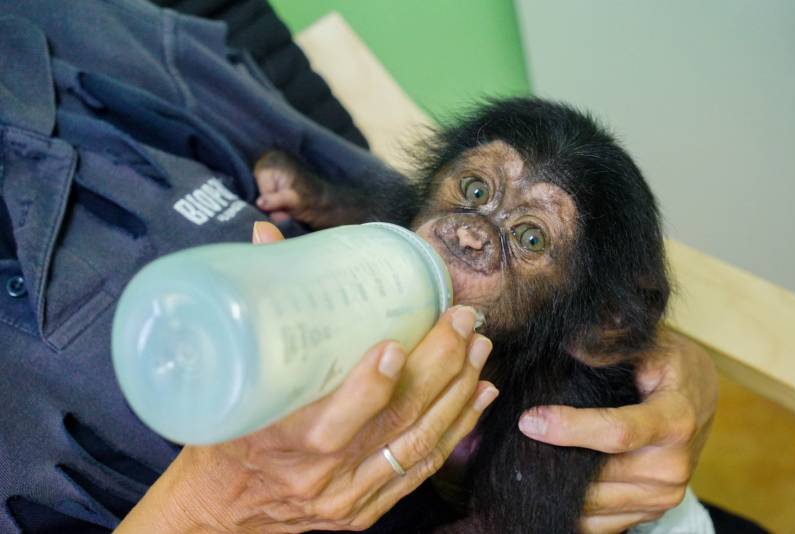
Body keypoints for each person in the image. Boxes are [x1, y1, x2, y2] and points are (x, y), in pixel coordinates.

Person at [0, 1, 717, 532]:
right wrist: (206, 507)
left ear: (598, 328)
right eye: (474, 190)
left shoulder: (551, 430)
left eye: (528, 238)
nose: (471, 232)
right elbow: (391, 208)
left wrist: (672, 368)